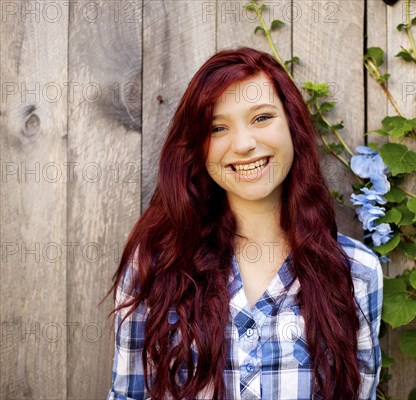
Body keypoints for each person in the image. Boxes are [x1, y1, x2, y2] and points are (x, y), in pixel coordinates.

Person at [106, 47, 383, 400]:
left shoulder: (356, 272)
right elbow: (127, 394)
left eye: (262, 118)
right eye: (218, 127)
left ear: (293, 126)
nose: (244, 144)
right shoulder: (155, 265)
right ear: (198, 147)